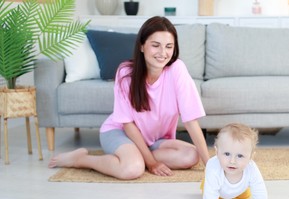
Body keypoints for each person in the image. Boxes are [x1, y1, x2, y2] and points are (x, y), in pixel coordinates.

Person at [48, 16, 209, 179]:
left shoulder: (177, 70)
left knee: (191, 156)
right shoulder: (125, 73)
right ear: (141, 46)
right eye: (155, 45)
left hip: (155, 140)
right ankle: (81, 159)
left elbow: (190, 120)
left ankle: (139, 156)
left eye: (169, 46)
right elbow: (127, 123)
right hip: (120, 132)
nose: (163, 53)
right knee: (132, 169)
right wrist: (152, 163)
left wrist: (209, 165)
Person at [201, 123, 268, 199]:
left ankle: (236, 195)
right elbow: (209, 197)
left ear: (251, 157)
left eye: (240, 156)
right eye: (227, 154)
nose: (232, 161)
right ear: (217, 152)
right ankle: (207, 186)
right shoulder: (213, 169)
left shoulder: (251, 168)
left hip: (241, 188)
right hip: (218, 188)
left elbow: (260, 190)